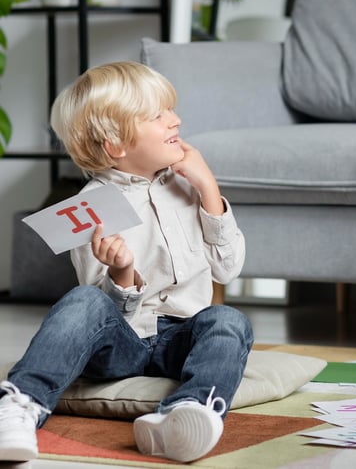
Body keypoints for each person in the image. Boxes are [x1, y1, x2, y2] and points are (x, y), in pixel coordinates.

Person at [0, 61, 253, 462]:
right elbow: (100, 316)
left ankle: (190, 411)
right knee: (84, 299)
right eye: (157, 115)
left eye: (170, 109)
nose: (175, 120)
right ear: (116, 145)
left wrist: (208, 187)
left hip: (182, 339)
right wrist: (121, 274)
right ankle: (19, 405)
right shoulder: (88, 208)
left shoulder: (189, 186)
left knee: (229, 321)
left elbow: (228, 268)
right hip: (123, 346)